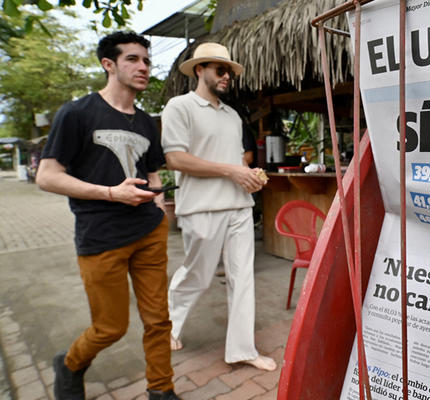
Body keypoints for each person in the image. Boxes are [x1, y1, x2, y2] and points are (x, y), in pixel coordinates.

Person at [36, 31, 180, 400]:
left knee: (159, 320)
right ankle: (69, 364)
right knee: (110, 327)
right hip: (100, 237)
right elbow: (47, 177)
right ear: (108, 64)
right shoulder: (78, 113)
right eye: (133, 59)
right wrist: (112, 193)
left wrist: (159, 207)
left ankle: (161, 390)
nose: (143, 67)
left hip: (149, 232)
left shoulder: (148, 122)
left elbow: (152, 174)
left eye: (146, 60)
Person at [160, 42, 276, 371]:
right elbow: (176, 159)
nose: (227, 76)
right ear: (200, 70)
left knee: (243, 279)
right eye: (220, 69)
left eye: (229, 71)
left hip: (239, 206)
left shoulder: (233, 116)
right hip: (201, 207)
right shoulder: (179, 107)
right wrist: (233, 171)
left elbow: (233, 161)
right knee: (198, 275)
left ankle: (243, 349)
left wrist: (248, 175)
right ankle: (168, 326)